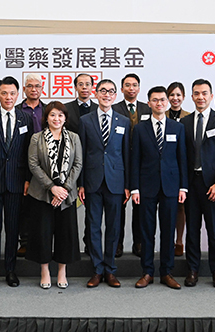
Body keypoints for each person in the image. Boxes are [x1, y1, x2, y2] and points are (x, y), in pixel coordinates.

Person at [0, 76, 34, 288]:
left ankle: (11, 270)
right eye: (4, 93)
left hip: (17, 182)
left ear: (17, 95)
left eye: (12, 93)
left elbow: (31, 152)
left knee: (13, 228)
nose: (8, 97)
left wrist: (28, 180)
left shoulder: (25, 118)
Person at [131, 86, 187, 289]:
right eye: (155, 100)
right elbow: (134, 160)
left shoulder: (177, 127)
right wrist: (134, 188)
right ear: (149, 103)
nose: (160, 103)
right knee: (147, 231)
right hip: (146, 186)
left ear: (168, 102)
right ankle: (147, 272)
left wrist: (183, 187)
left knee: (168, 231)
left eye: (163, 100)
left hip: (171, 187)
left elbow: (182, 159)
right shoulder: (139, 128)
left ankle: (167, 272)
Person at [180, 79, 215, 288]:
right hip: (192, 184)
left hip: (213, 185)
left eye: (204, 93)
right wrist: (183, 185)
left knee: (214, 230)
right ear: (191, 97)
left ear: (211, 96)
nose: (200, 97)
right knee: (192, 229)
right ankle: (193, 269)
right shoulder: (185, 122)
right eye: (196, 93)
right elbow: (182, 157)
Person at [79, 79, 131, 288]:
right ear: (96, 93)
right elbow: (81, 154)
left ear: (115, 95)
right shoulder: (85, 120)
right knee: (92, 227)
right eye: (103, 91)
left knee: (113, 227)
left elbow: (127, 154)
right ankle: (97, 269)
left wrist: (127, 184)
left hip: (116, 182)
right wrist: (81, 183)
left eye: (110, 91)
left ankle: (110, 269)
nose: (106, 94)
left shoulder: (124, 121)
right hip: (92, 181)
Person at [26, 101, 83, 289]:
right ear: (46, 118)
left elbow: (78, 164)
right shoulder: (37, 138)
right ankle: (44, 271)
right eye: (52, 115)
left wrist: (63, 189)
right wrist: (52, 187)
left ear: (65, 118)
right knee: (42, 234)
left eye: (60, 115)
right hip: (42, 194)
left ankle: (61, 271)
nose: (56, 119)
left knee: (65, 234)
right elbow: (33, 165)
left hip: (66, 196)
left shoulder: (74, 138)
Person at [112, 73, 151, 257]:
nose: (131, 88)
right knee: (118, 207)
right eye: (127, 85)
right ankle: (118, 244)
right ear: (121, 89)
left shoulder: (147, 108)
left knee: (140, 206)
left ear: (139, 88)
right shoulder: (114, 109)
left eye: (135, 85)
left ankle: (139, 243)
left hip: (142, 165)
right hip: (119, 163)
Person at [64, 73, 99, 255]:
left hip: (94, 165)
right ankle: (71, 247)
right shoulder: (66, 109)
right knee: (69, 208)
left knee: (92, 211)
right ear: (75, 87)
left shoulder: (99, 108)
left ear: (92, 87)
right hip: (70, 167)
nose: (84, 87)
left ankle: (90, 245)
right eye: (80, 84)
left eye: (88, 84)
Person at [17, 73, 47, 257]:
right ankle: (25, 242)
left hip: (46, 165)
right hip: (22, 162)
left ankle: (42, 243)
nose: (34, 89)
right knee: (25, 207)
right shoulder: (18, 110)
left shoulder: (48, 109)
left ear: (42, 89)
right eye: (30, 86)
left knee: (43, 206)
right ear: (24, 89)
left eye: (37, 86)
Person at [166, 82, 191, 257]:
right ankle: (166, 241)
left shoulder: (189, 117)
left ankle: (179, 241)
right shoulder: (160, 114)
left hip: (183, 167)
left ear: (183, 97)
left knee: (181, 207)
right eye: (172, 95)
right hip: (164, 168)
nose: (175, 98)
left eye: (178, 95)